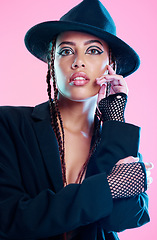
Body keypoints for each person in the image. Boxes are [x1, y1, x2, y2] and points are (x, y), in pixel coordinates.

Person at [0, 0, 153, 239]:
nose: (78, 61)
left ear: (110, 66)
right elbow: (9, 219)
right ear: (52, 64)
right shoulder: (8, 124)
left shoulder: (114, 139)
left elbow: (121, 219)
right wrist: (110, 186)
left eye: (93, 50)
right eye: (66, 51)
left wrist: (115, 119)